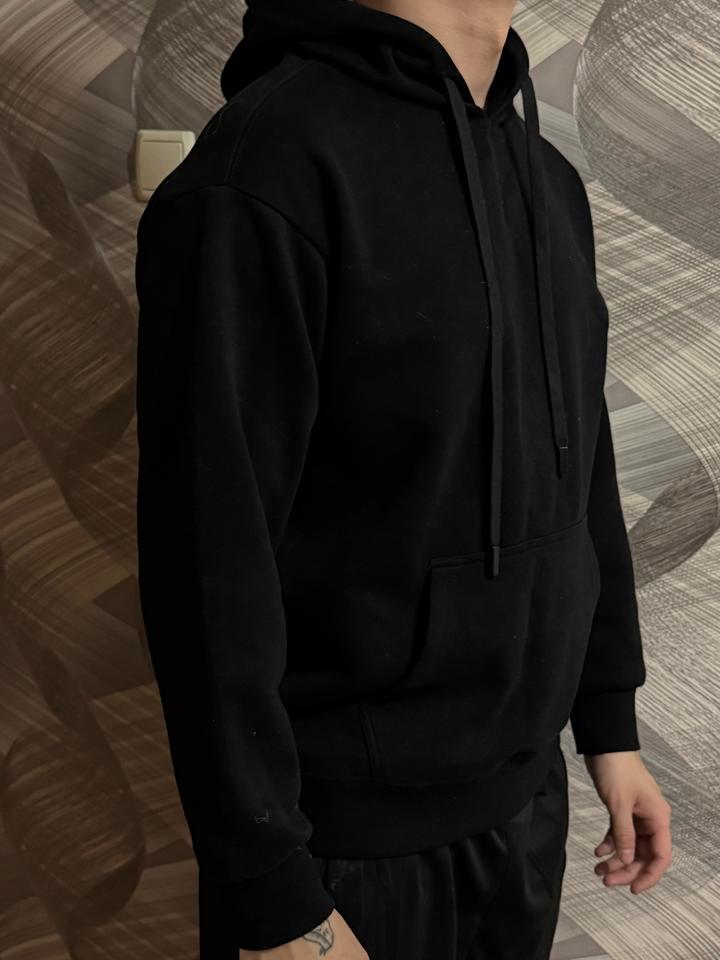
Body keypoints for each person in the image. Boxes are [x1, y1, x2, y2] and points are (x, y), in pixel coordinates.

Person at [134, 1, 673, 958]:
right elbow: (207, 561)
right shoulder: (265, 171)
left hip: (526, 804)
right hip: (342, 847)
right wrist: (270, 892)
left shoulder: (546, 179)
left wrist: (607, 722)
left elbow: (579, 468)